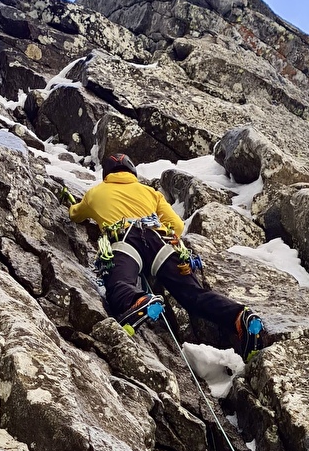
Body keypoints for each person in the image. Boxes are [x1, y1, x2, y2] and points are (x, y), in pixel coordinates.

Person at [61, 153, 265, 359]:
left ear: (106, 174)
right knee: (194, 295)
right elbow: (176, 225)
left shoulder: (96, 193)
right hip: (160, 241)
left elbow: (75, 214)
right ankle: (240, 316)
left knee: (119, 284)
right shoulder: (150, 192)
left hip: (125, 240)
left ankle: (138, 301)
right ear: (132, 172)